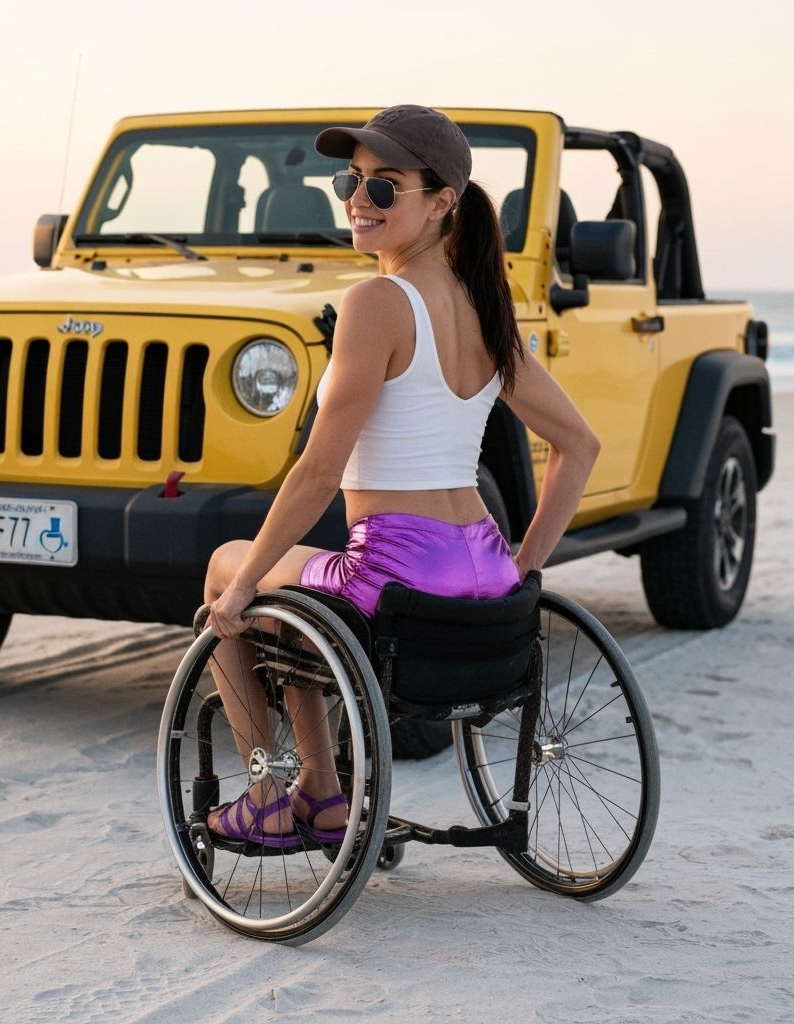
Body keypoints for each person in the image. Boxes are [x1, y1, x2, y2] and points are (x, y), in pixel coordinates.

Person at [202, 105, 600, 848]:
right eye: (350, 181)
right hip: (482, 569)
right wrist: (523, 572)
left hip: (396, 571)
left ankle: (267, 791)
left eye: (385, 188)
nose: (358, 199)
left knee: (232, 568)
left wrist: (241, 583)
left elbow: (320, 469)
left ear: (442, 201)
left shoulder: (377, 303)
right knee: (295, 583)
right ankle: (320, 792)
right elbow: (580, 445)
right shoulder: (485, 308)